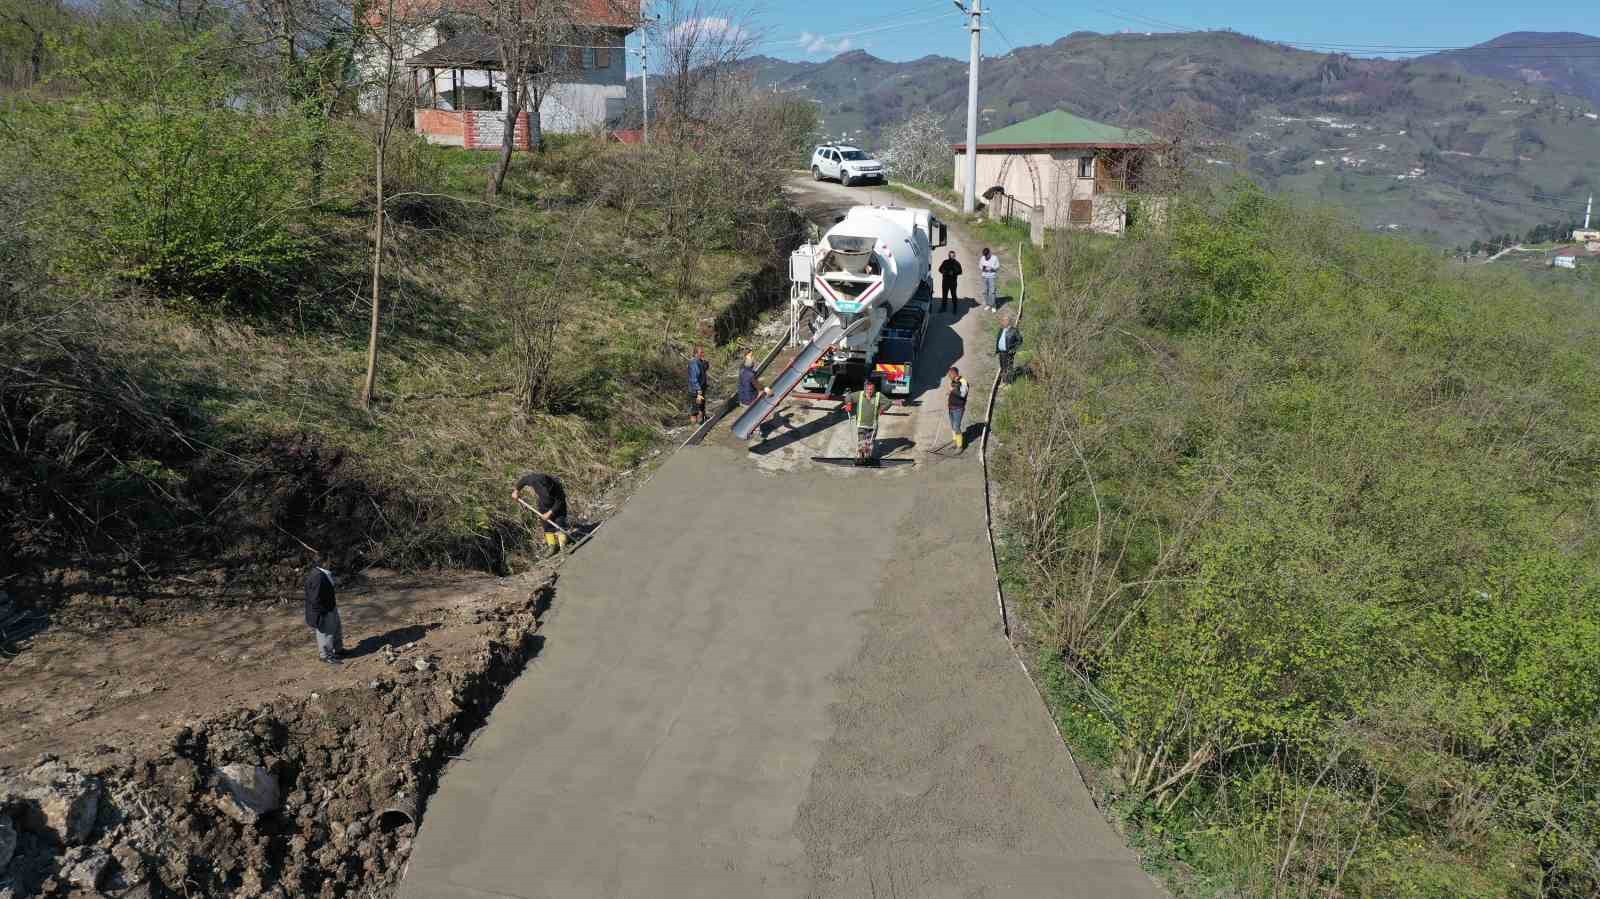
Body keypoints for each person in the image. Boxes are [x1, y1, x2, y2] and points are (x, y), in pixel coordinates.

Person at [512, 471, 569, 555]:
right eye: (545, 489)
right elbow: (524, 480)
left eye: (548, 488)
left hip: (558, 506)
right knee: (547, 526)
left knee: (560, 523)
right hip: (544, 504)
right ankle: (552, 546)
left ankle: (563, 545)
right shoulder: (534, 479)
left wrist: (549, 513)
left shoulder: (556, 484)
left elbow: (559, 502)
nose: (547, 491)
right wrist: (516, 490)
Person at [303, 562, 343, 665]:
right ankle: (325, 656)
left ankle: (338, 650)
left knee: (336, 629)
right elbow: (315, 599)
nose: (333, 563)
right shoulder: (317, 577)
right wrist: (323, 614)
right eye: (330, 560)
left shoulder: (324, 573)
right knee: (326, 633)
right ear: (324, 563)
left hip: (330, 607)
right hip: (323, 611)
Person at [845, 380, 889, 464]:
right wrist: (849, 404)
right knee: (861, 444)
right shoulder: (860, 395)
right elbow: (848, 397)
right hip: (861, 425)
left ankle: (868, 459)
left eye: (872, 389)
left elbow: (888, 402)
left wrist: (882, 409)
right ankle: (860, 458)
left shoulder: (878, 396)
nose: (870, 391)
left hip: (872, 426)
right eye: (868, 389)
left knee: (869, 444)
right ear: (865, 389)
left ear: (874, 389)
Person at [946, 366, 970, 452]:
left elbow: (963, 394)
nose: (948, 376)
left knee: (956, 426)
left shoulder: (963, 382)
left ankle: (960, 447)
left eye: (949, 374)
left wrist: (953, 391)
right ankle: (955, 441)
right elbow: (953, 391)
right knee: (953, 426)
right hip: (951, 407)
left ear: (954, 373)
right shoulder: (953, 381)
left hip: (958, 408)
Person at [996, 313, 1023, 385]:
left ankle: (1010, 382)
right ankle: (1005, 382)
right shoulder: (1001, 329)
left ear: (1008, 321)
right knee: (1003, 368)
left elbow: (1020, 340)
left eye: (1004, 320)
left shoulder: (1014, 331)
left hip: (1008, 353)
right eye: (1002, 320)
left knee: (1009, 368)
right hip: (1001, 352)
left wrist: (1013, 350)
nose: (1002, 322)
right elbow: (999, 339)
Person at [687, 347, 709, 425]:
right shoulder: (693, 363)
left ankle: (701, 422)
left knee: (701, 407)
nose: (703, 354)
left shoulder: (700, 361)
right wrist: (698, 389)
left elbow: (706, 368)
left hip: (701, 389)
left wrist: (705, 362)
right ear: (696, 354)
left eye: (703, 352)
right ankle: (695, 426)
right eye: (701, 353)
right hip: (695, 391)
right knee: (694, 410)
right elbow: (693, 378)